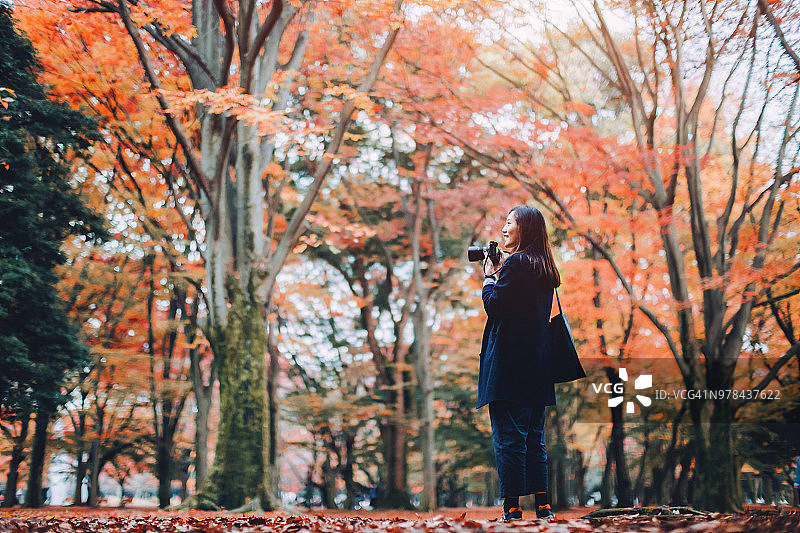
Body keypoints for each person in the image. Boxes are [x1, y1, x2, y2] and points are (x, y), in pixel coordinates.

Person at [477, 205, 559, 521]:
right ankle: (544, 507)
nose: (503, 229)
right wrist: (503, 270)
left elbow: (495, 306)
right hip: (538, 365)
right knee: (534, 439)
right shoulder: (544, 268)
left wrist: (488, 278)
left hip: (509, 365)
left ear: (524, 228)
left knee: (509, 438)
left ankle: (512, 508)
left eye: (509, 223)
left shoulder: (517, 264)